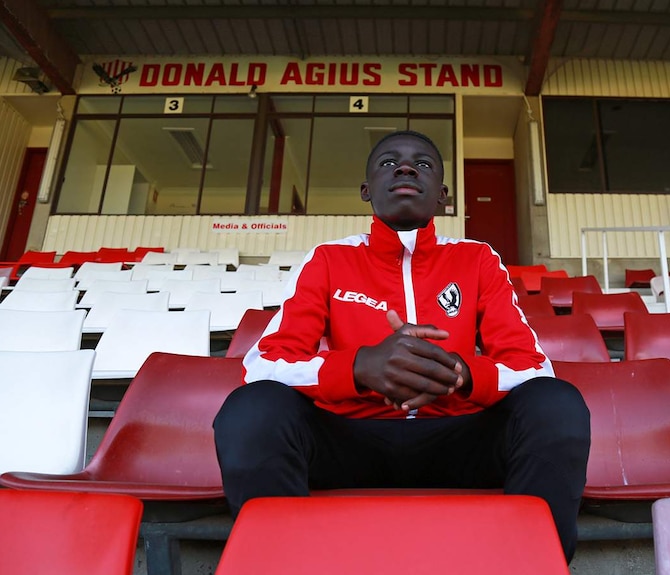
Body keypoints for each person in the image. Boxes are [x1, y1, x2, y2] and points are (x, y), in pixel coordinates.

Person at [213, 130, 591, 562]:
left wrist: (462, 375)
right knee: (252, 409)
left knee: (556, 404)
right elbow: (263, 364)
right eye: (389, 163)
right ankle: (278, 565)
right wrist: (358, 367)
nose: (407, 168)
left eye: (423, 164)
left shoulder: (477, 259)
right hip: (349, 442)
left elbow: (533, 367)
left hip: (457, 444)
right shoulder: (329, 259)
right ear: (366, 189)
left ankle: (533, 564)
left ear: (443, 196)